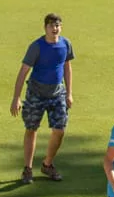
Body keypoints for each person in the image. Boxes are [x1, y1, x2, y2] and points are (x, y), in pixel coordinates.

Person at [11, 13, 74, 184]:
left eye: (57, 25)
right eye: (51, 26)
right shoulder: (36, 47)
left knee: (59, 130)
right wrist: (16, 98)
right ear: (45, 27)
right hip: (36, 93)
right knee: (31, 129)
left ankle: (47, 164)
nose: (55, 29)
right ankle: (28, 169)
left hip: (57, 93)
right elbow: (23, 71)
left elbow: (67, 68)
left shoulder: (65, 44)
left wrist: (69, 93)